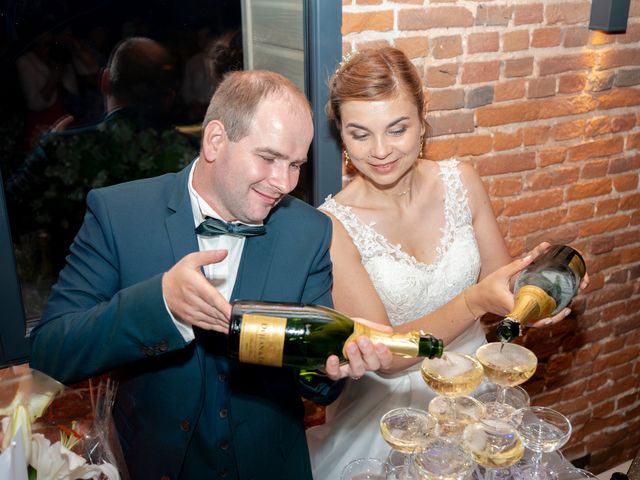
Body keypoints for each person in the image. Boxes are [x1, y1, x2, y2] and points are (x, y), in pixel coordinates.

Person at [29, 69, 392, 480]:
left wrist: (332, 366)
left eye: (295, 165)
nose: (284, 183)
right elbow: (50, 353)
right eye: (269, 158)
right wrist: (161, 303)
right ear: (216, 139)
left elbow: (316, 382)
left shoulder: (309, 231)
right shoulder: (120, 214)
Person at [306, 47, 587, 478]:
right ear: (341, 136)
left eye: (397, 129)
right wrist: (475, 301)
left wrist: (532, 292)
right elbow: (389, 354)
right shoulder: (333, 226)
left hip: (477, 385)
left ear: (422, 119)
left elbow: (501, 293)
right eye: (360, 134)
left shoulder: (463, 181)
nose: (380, 151)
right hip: (395, 410)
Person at [7, 37, 198, 272]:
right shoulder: (196, 155)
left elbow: (9, 211)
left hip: (83, 295)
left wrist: (47, 146)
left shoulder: (63, 148)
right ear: (169, 97)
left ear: (105, 81)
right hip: (175, 294)